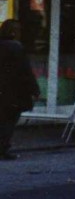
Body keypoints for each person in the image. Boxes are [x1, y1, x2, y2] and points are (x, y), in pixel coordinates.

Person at [0, 19, 41, 160]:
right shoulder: (16, 47)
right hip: (12, 91)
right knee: (9, 121)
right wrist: (35, 90)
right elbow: (25, 72)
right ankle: (3, 149)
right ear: (14, 32)